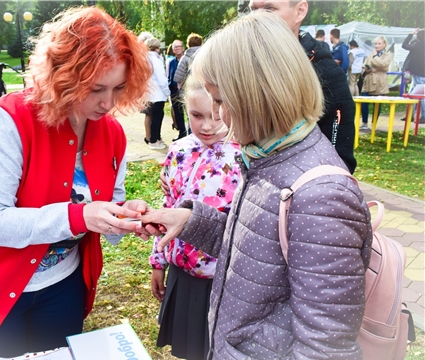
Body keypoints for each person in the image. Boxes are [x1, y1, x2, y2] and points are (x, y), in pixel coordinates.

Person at [141, 11, 373, 359]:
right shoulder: (268, 159)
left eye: (221, 101)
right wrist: (190, 221)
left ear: (255, 95)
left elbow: (325, 348)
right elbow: (254, 253)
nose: (217, 115)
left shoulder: (321, 197)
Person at [0, 7, 151, 357]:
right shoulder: (13, 118)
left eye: (118, 88)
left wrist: (125, 216)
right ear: (63, 76)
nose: (108, 103)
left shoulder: (112, 134)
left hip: (63, 287)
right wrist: (79, 216)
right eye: (96, 88)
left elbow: (110, 216)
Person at [150, 75, 241, 360]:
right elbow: (168, 207)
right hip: (183, 271)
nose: (206, 125)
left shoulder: (247, 155)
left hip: (225, 279)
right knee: (190, 349)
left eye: (215, 116)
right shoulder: (179, 151)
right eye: (196, 115)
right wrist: (158, 260)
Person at [248, 0, 356, 174]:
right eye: (253, 9)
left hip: (299, 193)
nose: (258, 17)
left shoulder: (325, 73)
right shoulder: (240, 64)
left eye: (269, 9)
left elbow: (340, 160)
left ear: (300, 11)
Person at [144, 37, 171, 150]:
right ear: (157, 48)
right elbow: (162, 79)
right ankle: (154, 140)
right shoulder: (156, 60)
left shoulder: (146, 59)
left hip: (150, 93)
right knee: (157, 117)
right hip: (158, 94)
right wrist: (167, 92)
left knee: (156, 116)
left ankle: (156, 138)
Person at [360, 36, 392, 129]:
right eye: (375, 44)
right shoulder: (371, 54)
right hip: (368, 81)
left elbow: (383, 65)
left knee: (377, 105)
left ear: (384, 44)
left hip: (379, 82)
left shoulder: (387, 55)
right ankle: (364, 122)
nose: (376, 46)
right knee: (364, 102)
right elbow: (364, 65)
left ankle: (374, 124)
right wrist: (365, 71)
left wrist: (374, 57)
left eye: (379, 43)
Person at [402, 28, 425, 123]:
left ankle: (423, 116)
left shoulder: (417, 45)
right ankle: (410, 115)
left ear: (418, 38)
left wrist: (411, 34)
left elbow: (404, 45)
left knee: (421, 96)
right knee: (412, 94)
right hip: (420, 74)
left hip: (418, 74)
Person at [167, 39, 187, 141]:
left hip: (186, 89)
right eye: (175, 47)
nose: (177, 48)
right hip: (174, 90)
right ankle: (182, 133)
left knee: (188, 111)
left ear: (183, 48)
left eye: (179, 46)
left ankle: (191, 132)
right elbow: (169, 76)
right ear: (173, 50)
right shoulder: (171, 62)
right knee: (178, 113)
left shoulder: (187, 60)